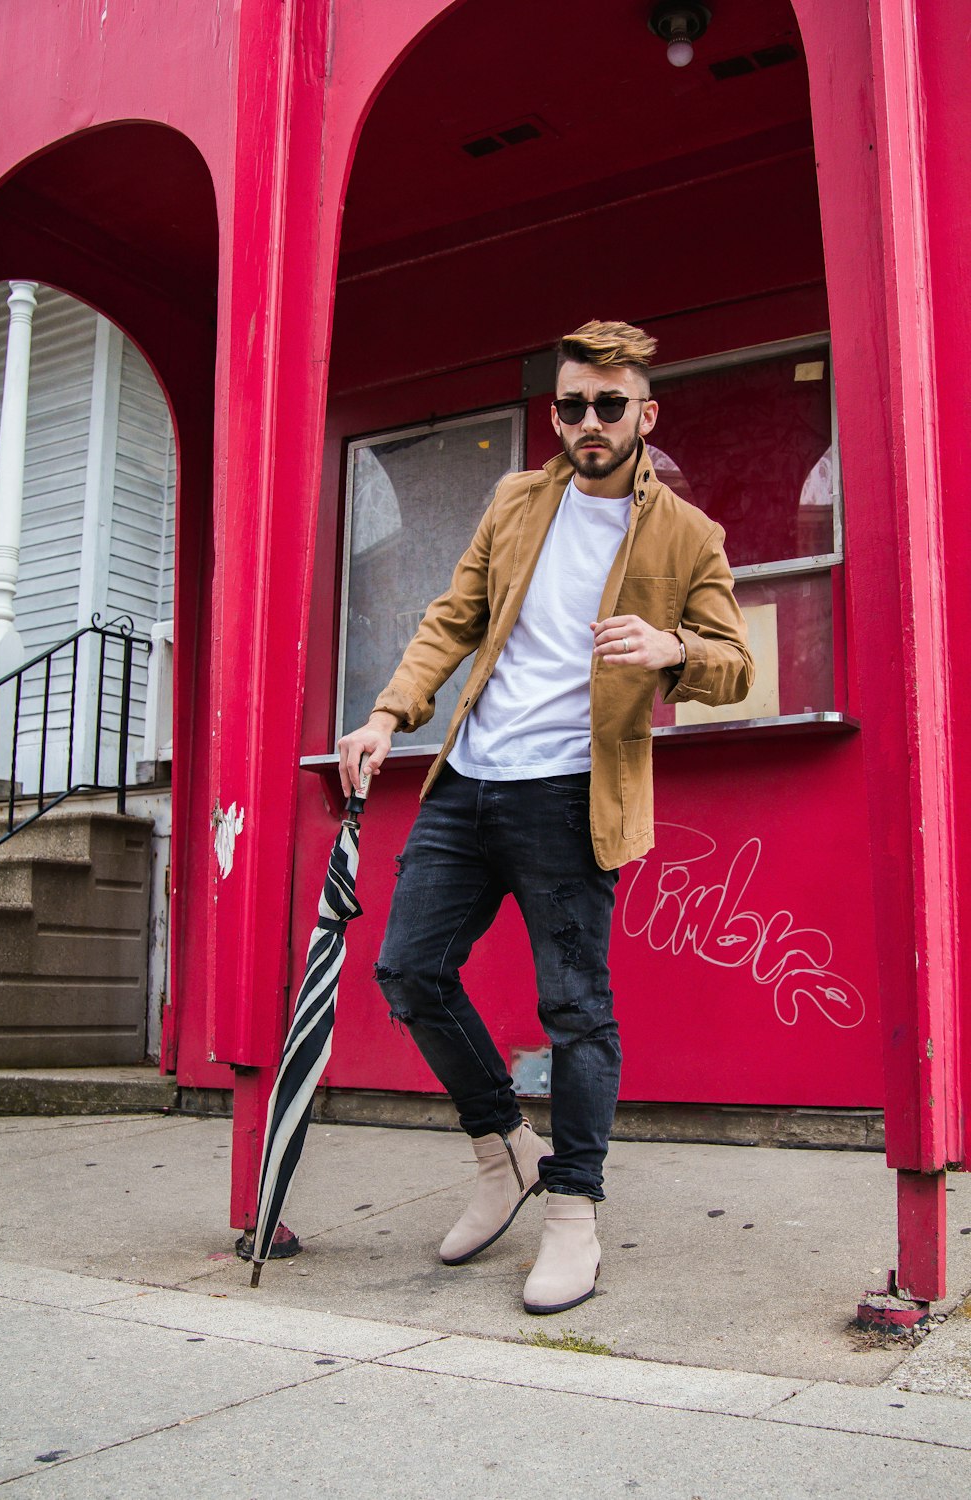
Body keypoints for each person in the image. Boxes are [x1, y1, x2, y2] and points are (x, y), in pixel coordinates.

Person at [338, 319, 754, 1315]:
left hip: (573, 792)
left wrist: (670, 651)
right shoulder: (517, 499)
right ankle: (502, 1151)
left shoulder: (685, 536)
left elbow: (733, 663)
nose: (588, 422)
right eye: (571, 404)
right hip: (470, 776)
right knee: (407, 967)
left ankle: (573, 1210)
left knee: (574, 1009)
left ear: (645, 415)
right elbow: (454, 616)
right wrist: (389, 710)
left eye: (609, 405)